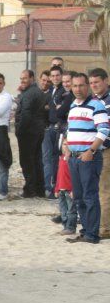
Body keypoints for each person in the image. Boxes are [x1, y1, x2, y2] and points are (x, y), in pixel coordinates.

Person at [63, 72, 109, 244]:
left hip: (89, 157)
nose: (78, 89)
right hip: (74, 157)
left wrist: (91, 150)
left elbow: (104, 130)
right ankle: (86, 230)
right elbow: (70, 130)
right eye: (74, 86)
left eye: (81, 85)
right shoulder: (73, 106)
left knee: (90, 196)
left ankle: (92, 234)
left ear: (87, 86)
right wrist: (66, 147)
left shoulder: (96, 105)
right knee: (79, 197)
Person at [15, 70, 46, 198]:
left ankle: (30, 189)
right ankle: (39, 189)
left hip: (28, 132)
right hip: (37, 130)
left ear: (32, 78)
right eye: (21, 78)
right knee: (36, 160)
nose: (22, 81)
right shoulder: (37, 91)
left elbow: (26, 114)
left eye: (25, 78)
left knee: (27, 161)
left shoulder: (29, 94)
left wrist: (19, 131)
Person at [88, 67, 110, 238]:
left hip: (106, 148)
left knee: (104, 189)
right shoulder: (95, 100)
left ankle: (105, 229)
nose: (93, 85)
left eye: (97, 82)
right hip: (97, 149)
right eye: (91, 83)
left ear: (106, 81)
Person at [42, 65, 65, 199]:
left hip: (59, 128)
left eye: (58, 75)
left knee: (57, 158)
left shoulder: (64, 91)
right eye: (53, 76)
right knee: (47, 159)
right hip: (48, 127)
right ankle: (48, 187)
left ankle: (55, 187)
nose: (55, 78)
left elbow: (60, 109)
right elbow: (47, 106)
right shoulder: (50, 90)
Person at [54, 148, 77, 235]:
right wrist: (56, 189)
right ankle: (65, 226)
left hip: (69, 189)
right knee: (63, 210)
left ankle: (70, 227)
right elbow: (59, 176)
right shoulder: (61, 159)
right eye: (64, 144)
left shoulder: (72, 160)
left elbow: (75, 177)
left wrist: (73, 189)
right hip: (61, 189)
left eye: (68, 144)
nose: (66, 147)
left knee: (71, 210)